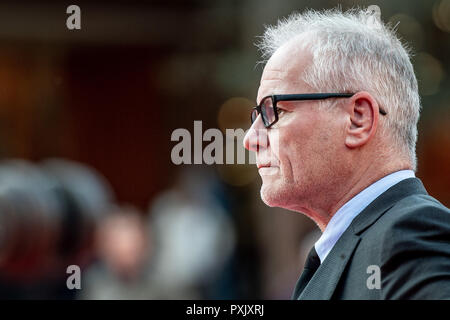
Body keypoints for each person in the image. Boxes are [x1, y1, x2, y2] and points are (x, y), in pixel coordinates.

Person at [243, 7, 450, 300]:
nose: (251, 139)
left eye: (272, 111)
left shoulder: (409, 235)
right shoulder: (358, 243)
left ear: (357, 119)